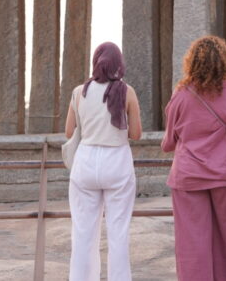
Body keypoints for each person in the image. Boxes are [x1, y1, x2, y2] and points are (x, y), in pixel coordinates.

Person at [162, 35, 226, 281]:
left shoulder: (181, 95)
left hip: (189, 176)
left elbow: (169, 142)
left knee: (193, 244)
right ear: (225, 62)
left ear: (191, 63)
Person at [65, 42, 142, 281]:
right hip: (117, 160)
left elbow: (69, 132)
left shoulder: (80, 91)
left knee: (83, 233)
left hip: (86, 161)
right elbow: (136, 134)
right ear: (119, 64)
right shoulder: (127, 91)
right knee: (118, 233)